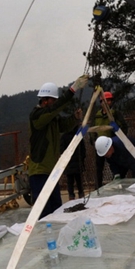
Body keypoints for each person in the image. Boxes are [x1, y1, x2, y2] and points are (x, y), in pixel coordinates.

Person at [28, 75, 87, 218]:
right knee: (43, 212)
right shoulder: (37, 116)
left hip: (51, 172)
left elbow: (64, 126)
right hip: (39, 172)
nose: (55, 104)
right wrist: (72, 90)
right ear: (45, 100)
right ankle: (44, 237)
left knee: (56, 210)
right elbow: (54, 109)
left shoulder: (52, 118)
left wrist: (74, 118)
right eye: (53, 101)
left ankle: (55, 237)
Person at [91, 91, 129, 189]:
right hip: (100, 145)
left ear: (111, 102)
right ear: (101, 102)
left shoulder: (115, 114)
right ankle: (98, 187)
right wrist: (93, 141)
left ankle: (117, 184)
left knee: (115, 165)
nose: (106, 103)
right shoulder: (97, 115)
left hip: (111, 145)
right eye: (104, 101)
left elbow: (124, 127)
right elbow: (93, 129)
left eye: (108, 101)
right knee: (99, 168)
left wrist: (118, 138)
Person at [60, 125, 87, 200]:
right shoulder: (78, 135)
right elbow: (83, 149)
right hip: (77, 161)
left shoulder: (64, 136)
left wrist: (65, 158)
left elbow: (61, 149)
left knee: (70, 181)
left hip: (69, 162)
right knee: (79, 180)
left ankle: (71, 195)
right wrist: (82, 158)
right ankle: (81, 194)